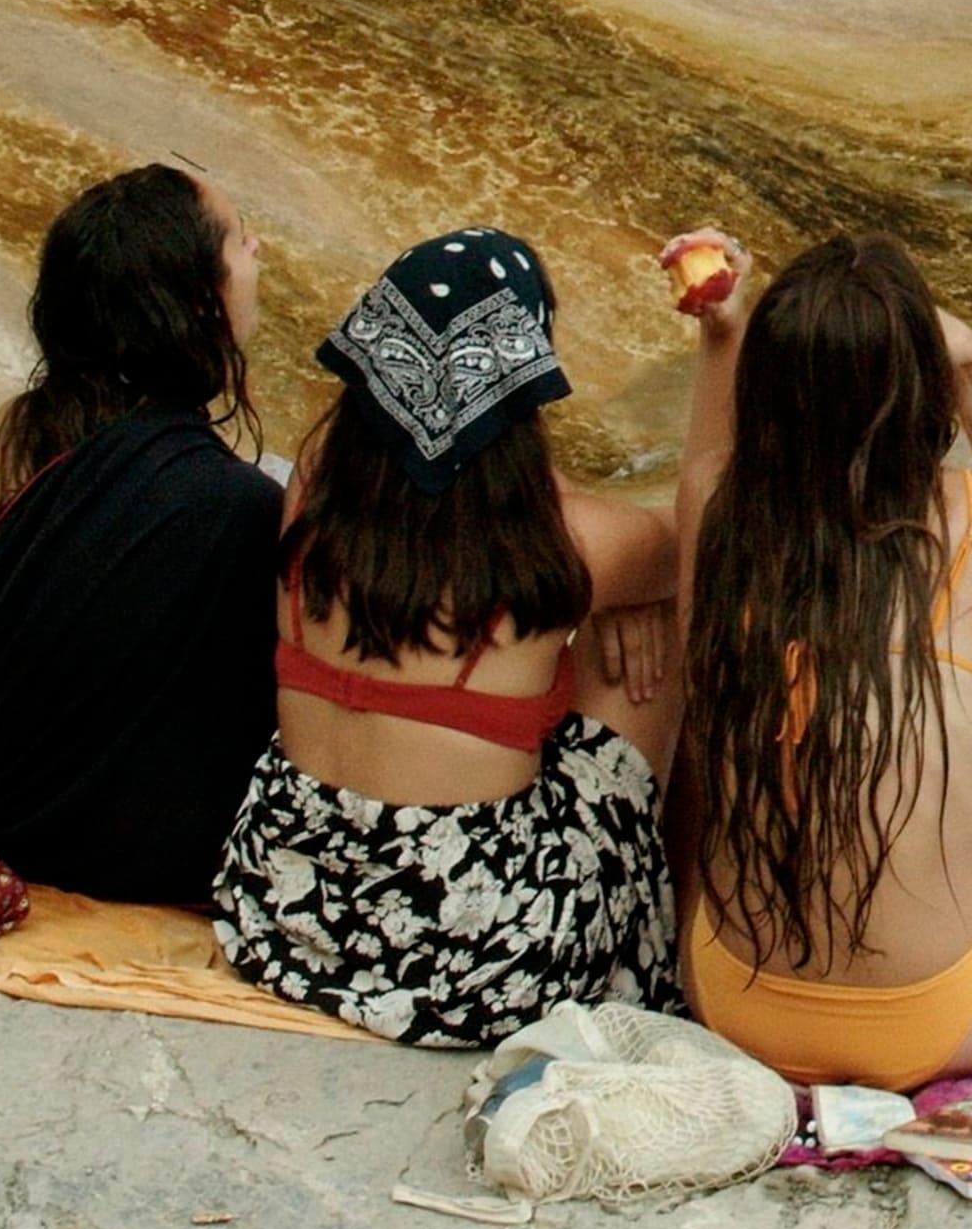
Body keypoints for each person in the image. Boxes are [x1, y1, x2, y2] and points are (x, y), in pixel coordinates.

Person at [210, 228, 685, 1046]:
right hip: (472, 961)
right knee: (669, 620)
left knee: (614, 605)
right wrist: (626, 598)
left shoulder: (320, 472)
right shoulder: (565, 542)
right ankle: (675, 921)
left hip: (284, 914)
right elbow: (696, 544)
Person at [671, 231, 972, 1092]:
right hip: (961, 1020)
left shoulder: (713, 511)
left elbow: (710, 456)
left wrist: (725, 331)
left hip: (727, 1002)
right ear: (921, 394)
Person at [0, 163, 280, 908]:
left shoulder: (18, 430)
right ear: (199, 297)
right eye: (242, 243)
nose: (258, 255)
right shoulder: (241, 505)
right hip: (155, 863)